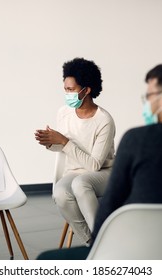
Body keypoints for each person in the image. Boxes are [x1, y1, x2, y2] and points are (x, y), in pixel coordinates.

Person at [37, 62, 162, 260]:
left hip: (129, 254)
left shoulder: (136, 140)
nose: (146, 103)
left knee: (47, 260)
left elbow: (109, 208)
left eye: (149, 96)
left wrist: (100, 250)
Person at [34, 57, 116, 245]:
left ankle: (104, 240)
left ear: (86, 90)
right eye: (65, 89)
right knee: (60, 192)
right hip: (74, 171)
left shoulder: (104, 120)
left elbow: (94, 165)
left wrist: (63, 141)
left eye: (71, 90)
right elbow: (63, 149)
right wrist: (50, 142)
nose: (67, 94)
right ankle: (92, 243)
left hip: (103, 173)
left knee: (80, 184)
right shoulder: (64, 112)